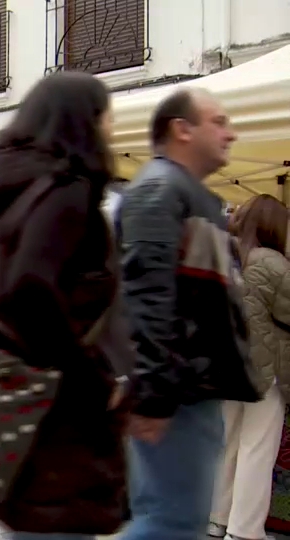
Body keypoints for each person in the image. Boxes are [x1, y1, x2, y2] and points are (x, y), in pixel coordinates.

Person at [0, 71, 132, 539]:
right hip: (60, 420)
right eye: (106, 114)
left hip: (31, 410)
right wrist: (94, 379)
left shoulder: (28, 193)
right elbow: (31, 290)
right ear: (83, 120)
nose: (112, 126)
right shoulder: (65, 191)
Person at [119, 88, 260, 540]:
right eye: (218, 121)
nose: (230, 133)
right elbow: (149, 294)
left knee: (175, 520)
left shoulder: (192, 197)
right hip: (177, 393)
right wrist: (156, 394)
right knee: (170, 523)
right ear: (182, 129)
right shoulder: (159, 190)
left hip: (191, 390)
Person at [209, 195, 290, 540]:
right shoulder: (272, 263)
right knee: (256, 450)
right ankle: (244, 531)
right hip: (264, 372)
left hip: (227, 366)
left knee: (227, 446)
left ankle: (217, 519)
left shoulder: (224, 256)